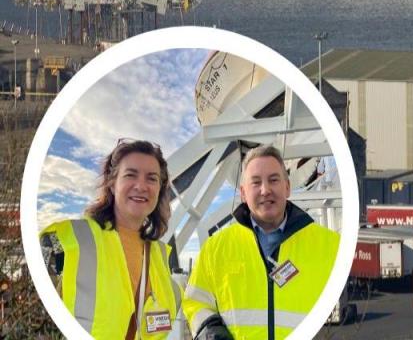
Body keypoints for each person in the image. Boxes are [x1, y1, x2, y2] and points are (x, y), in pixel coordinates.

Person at [183, 145, 340, 340]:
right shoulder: (215, 248)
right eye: (256, 182)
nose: (265, 190)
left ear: (287, 187)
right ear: (243, 193)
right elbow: (196, 302)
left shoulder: (331, 246)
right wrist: (211, 333)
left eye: (273, 180)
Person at [41, 139, 182, 339]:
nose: (141, 186)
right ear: (112, 184)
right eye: (130, 175)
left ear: (160, 190)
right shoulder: (63, 242)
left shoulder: (161, 257)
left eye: (152, 178)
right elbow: (30, 320)